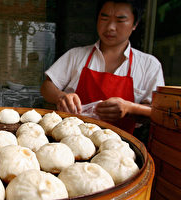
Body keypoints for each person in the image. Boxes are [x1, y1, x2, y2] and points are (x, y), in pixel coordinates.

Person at [40, 0, 165, 134]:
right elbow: (47, 86)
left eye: (120, 20)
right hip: (70, 138)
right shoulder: (76, 55)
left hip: (121, 145)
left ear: (135, 24)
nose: (110, 27)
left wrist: (129, 109)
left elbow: (158, 112)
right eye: (104, 18)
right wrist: (61, 96)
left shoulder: (149, 65)